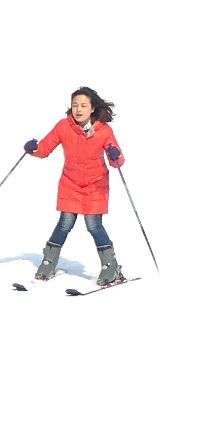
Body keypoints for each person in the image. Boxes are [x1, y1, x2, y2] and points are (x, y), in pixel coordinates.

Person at [25, 86, 125, 285]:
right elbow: (45, 148)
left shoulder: (104, 131)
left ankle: (110, 266)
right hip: (70, 184)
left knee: (93, 225)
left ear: (92, 109)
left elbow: (117, 162)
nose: (78, 109)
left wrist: (115, 155)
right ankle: (49, 261)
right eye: (75, 105)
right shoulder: (64, 126)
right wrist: (35, 149)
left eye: (83, 105)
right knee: (65, 223)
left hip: (95, 186)